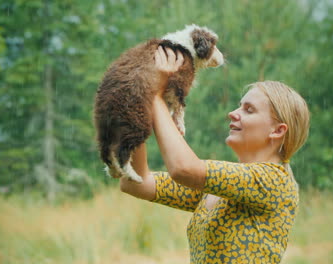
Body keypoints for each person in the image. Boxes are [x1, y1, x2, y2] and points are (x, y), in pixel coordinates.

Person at [119, 46, 310, 264]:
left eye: (248, 110)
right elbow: (135, 183)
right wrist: (138, 109)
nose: (233, 113)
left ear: (277, 131)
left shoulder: (274, 180)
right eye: (239, 106)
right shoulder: (222, 187)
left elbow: (183, 168)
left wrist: (155, 95)